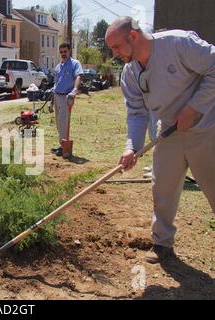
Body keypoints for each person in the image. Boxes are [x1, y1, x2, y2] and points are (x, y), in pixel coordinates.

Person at [105, 17, 215, 264]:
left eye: (117, 47)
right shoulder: (130, 72)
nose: (114, 54)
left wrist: (194, 107)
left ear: (133, 36)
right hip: (169, 132)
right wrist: (131, 146)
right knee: (162, 189)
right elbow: (136, 112)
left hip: (207, 127)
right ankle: (162, 243)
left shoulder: (178, 43)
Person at [51, 42, 83, 157]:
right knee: (58, 122)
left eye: (65, 51)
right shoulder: (58, 66)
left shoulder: (75, 64)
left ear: (69, 51)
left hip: (66, 97)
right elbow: (56, 82)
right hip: (56, 95)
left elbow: (78, 76)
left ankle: (64, 147)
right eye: (61, 52)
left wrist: (74, 90)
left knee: (63, 122)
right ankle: (61, 144)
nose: (63, 54)